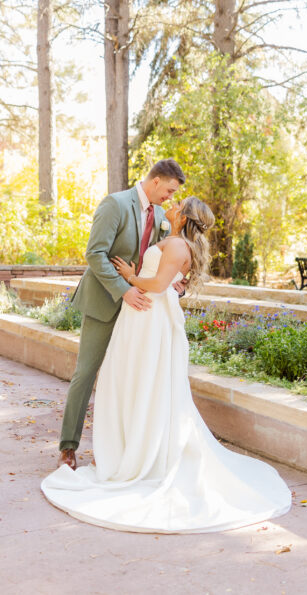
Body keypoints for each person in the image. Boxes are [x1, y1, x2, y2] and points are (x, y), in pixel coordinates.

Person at [41, 196, 291, 533]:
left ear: (185, 216)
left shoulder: (176, 244)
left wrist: (130, 276)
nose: (170, 205)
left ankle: (138, 454)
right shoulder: (174, 238)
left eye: (178, 203)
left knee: (141, 380)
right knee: (130, 380)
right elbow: (167, 279)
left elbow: (158, 285)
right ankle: (124, 447)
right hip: (141, 315)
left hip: (147, 313)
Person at [57, 159, 186, 470]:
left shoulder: (161, 217)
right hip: (105, 303)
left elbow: (156, 261)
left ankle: (124, 450)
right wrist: (123, 289)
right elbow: (94, 254)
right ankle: (68, 447)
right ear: (156, 181)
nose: (170, 197)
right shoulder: (114, 204)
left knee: (130, 379)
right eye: (169, 190)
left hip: (139, 314)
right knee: (85, 373)